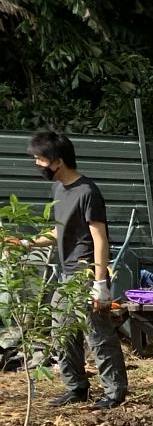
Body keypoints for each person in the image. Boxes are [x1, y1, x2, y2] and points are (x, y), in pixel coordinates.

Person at [24, 131, 128, 409]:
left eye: (40, 159)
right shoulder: (58, 189)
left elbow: (100, 239)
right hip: (66, 274)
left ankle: (114, 392)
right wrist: (27, 243)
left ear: (58, 161)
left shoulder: (87, 192)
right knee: (62, 333)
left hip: (85, 274)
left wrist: (100, 283)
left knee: (98, 334)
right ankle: (77, 387)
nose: (37, 164)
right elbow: (60, 231)